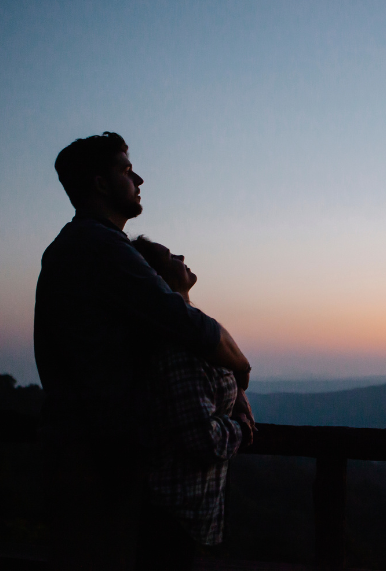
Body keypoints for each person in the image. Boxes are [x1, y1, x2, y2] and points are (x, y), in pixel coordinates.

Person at [34, 132, 252, 570]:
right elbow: (190, 326)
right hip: (103, 462)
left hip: (86, 452)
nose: (139, 178)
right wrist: (242, 369)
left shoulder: (70, 248)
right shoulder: (100, 247)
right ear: (100, 183)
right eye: (126, 169)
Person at [131, 236, 255, 570]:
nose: (182, 255)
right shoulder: (179, 350)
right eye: (170, 256)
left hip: (184, 515)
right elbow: (202, 439)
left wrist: (237, 396)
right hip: (174, 517)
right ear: (155, 278)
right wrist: (241, 429)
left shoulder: (195, 337)